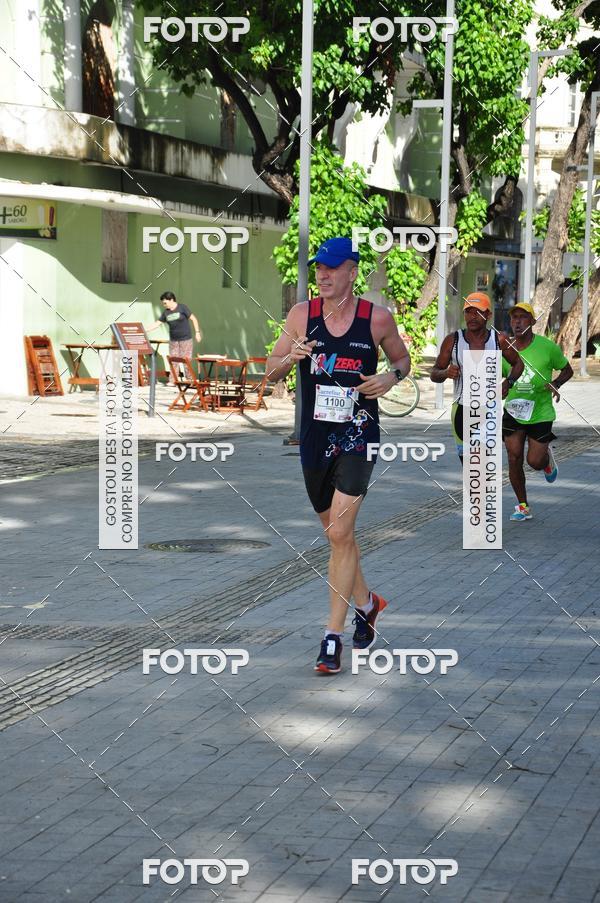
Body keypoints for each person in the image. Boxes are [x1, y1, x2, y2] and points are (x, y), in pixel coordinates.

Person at [266, 237, 411, 674]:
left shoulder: (377, 319)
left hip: (358, 435)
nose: (323, 276)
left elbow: (403, 362)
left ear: (353, 271)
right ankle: (368, 603)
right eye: (318, 269)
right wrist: (289, 357)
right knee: (338, 538)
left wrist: (390, 377)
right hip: (314, 438)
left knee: (341, 533)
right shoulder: (301, 316)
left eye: (332, 268)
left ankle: (332, 637)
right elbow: (268, 371)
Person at [430, 292, 524, 461]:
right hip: (461, 409)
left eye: (478, 312)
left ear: (488, 314)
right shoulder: (453, 340)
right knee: (469, 466)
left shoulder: (499, 340)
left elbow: (518, 364)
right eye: (468, 312)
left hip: (489, 410)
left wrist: (508, 382)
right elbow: (434, 373)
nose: (472, 317)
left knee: (482, 465)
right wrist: (445, 372)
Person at [502, 302, 573, 521]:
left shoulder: (547, 347)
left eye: (523, 318)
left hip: (540, 412)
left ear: (532, 322)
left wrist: (556, 384)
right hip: (514, 411)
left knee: (533, 461)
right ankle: (523, 506)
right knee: (514, 459)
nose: (518, 322)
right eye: (514, 318)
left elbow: (567, 369)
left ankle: (546, 461)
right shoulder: (505, 350)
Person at [147, 291, 202, 365]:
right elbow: (157, 323)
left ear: (171, 300)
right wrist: (145, 330)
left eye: (165, 303)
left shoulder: (182, 308)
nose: (164, 305)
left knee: (187, 362)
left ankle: (189, 377)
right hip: (173, 341)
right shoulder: (166, 312)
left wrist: (197, 333)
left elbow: (194, 319)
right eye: (163, 303)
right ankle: (173, 377)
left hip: (186, 340)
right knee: (173, 362)